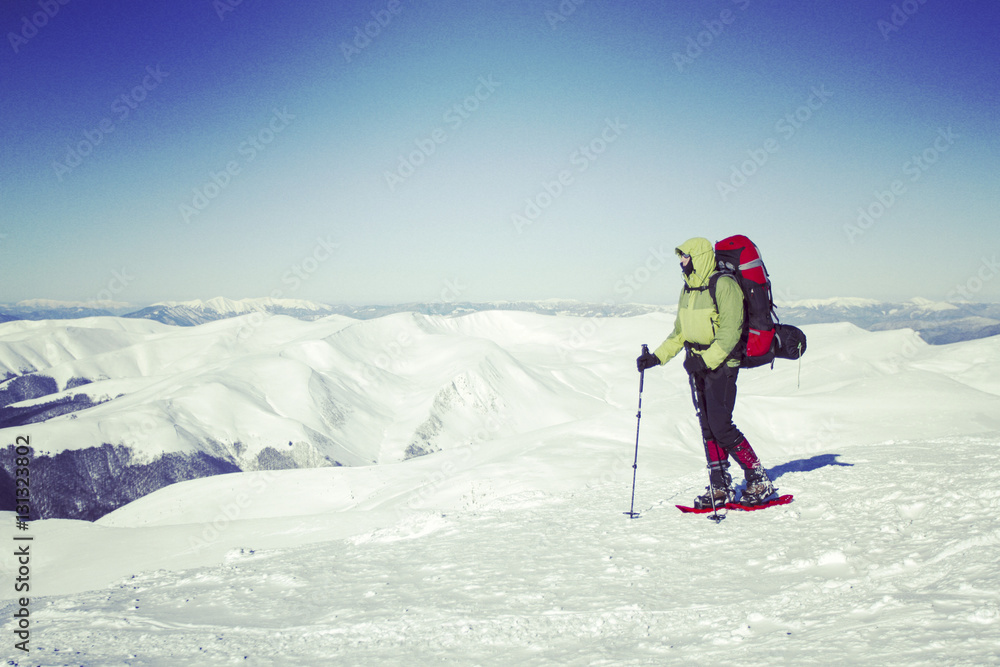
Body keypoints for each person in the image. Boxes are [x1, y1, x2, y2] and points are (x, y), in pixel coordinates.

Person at [636, 237, 776, 508]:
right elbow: (680, 333)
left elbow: (730, 333)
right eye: (680, 257)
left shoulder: (724, 285)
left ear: (698, 256)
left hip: (722, 364)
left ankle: (759, 479)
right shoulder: (687, 289)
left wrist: (706, 361)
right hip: (696, 363)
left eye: (686, 256)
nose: (681, 261)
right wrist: (655, 357)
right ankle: (720, 485)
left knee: (722, 425)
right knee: (707, 426)